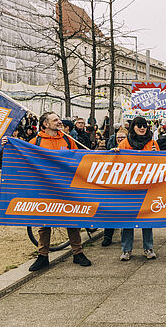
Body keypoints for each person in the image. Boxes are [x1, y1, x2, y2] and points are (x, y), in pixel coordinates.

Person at [20, 112, 91, 270]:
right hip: (45, 188)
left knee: (72, 219)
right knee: (44, 223)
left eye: (59, 119)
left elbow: (78, 158)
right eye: (56, 120)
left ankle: (77, 253)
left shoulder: (67, 139)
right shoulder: (35, 142)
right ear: (46, 124)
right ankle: (42, 256)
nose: (60, 122)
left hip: (66, 187)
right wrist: (8, 143)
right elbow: (23, 156)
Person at [113, 116, 161, 261]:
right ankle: (126, 249)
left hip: (147, 186)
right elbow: (116, 163)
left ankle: (148, 247)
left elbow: (161, 164)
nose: (142, 128)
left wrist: (156, 155)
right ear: (133, 127)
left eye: (144, 126)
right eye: (139, 125)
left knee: (147, 218)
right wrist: (114, 153)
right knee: (127, 218)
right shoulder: (125, 144)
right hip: (129, 188)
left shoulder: (153, 143)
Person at [101, 127, 129, 247]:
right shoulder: (110, 149)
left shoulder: (130, 149)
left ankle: (125, 235)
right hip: (112, 183)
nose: (120, 139)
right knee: (110, 209)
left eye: (123, 137)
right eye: (119, 137)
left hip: (125, 183)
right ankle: (107, 236)